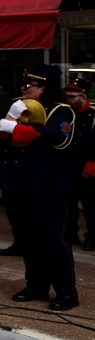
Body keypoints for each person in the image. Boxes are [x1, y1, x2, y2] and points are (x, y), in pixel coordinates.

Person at [0, 64, 79, 311]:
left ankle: (66, 292)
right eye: (23, 84)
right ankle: (36, 286)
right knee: (28, 239)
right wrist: (10, 117)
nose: (23, 88)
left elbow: (54, 137)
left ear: (43, 88)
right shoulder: (21, 108)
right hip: (20, 185)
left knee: (54, 240)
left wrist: (15, 128)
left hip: (48, 186)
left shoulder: (62, 111)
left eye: (28, 85)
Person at [63, 78, 95, 248]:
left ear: (83, 97)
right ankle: (70, 234)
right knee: (69, 205)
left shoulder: (92, 116)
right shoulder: (67, 114)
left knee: (90, 207)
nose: (67, 99)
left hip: (86, 168)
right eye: (66, 96)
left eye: (71, 96)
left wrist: (90, 167)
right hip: (69, 167)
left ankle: (92, 238)